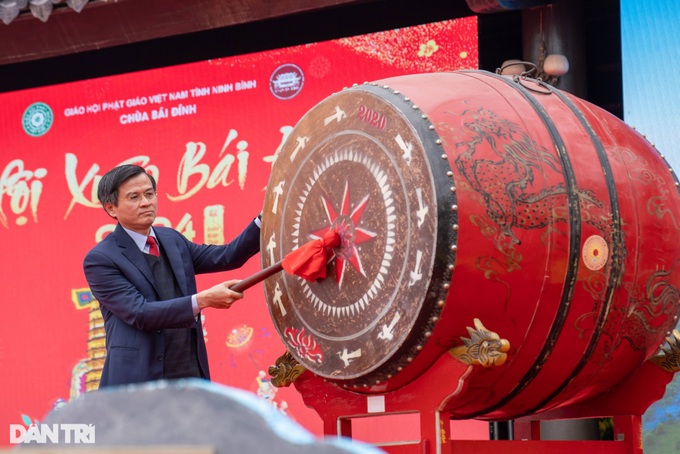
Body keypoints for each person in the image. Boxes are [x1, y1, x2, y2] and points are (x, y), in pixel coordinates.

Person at [83, 164, 261, 388]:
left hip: (189, 371)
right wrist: (203, 300)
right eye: (134, 197)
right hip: (138, 381)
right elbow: (140, 313)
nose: (146, 202)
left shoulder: (172, 240)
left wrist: (264, 220)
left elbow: (227, 257)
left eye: (149, 194)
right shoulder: (101, 258)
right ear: (111, 208)